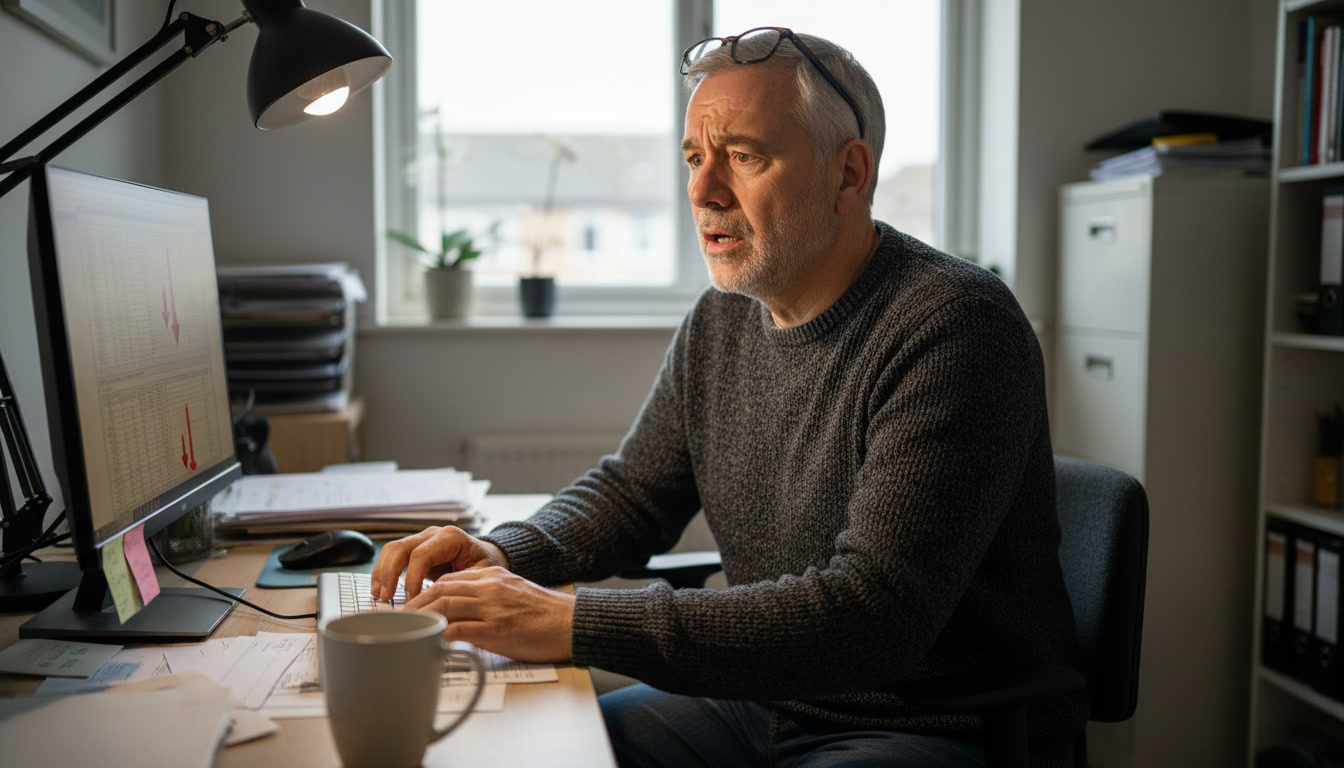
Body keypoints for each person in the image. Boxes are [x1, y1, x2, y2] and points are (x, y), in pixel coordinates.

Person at [371, 27, 1084, 767]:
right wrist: (502, 551)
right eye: (693, 157)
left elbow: (872, 616)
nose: (702, 191)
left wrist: (573, 622)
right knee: (522, 752)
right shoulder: (724, 316)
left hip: (934, 725)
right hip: (758, 699)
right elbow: (634, 491)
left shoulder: (955, 326)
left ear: (849, 175)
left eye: (743, 156)